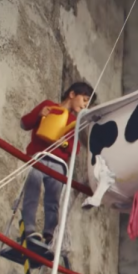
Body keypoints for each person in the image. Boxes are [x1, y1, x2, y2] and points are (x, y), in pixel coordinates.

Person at [18, 81, 93, 246]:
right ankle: (29, 229)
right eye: (84, 99)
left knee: (53, 200)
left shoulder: (74, 122)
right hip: (38, 156)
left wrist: (63, 143)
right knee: (32, 188)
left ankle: (49, 234)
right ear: (72, 94)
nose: (85, 105)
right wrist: (39, 115)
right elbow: (24, 123)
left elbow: (75, 149)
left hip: (58, 164)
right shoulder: (48, 106)